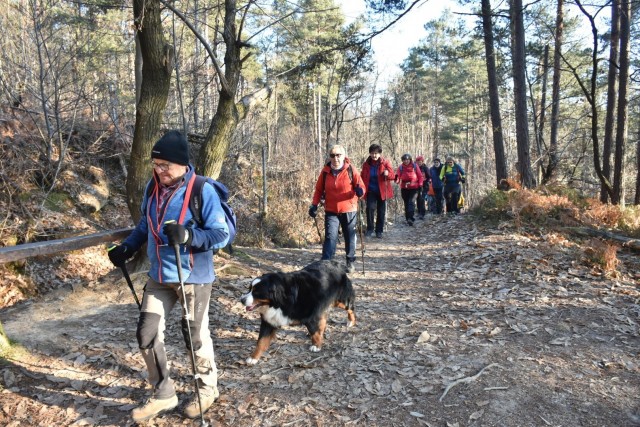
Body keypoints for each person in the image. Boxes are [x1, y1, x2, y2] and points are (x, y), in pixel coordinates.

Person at [107, 130, 229, 423]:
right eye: (155, 163)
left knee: (195, 336)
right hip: (159, 275)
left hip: (193, 276)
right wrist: (128, 247)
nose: (158, 170)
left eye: (165, 165)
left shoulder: (202, 190)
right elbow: (144, 225)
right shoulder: (152, 187)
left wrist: (189, 235)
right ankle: (164, 393)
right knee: (146, 333)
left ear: (183, 165)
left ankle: (207, 388)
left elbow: (221, 234)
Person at [309, 145, 365, 273]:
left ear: (344, 156)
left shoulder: (351, 170)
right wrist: (314, 204)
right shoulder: (325, 172)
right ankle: (326, 263)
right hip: (331, 209)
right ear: (329, 157)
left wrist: (360, 191)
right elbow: (318, 190)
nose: (335, 158)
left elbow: (361, 186)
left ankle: (350, 261)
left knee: (349, 236)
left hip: (349, 208)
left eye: (338, 155)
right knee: (330, 237)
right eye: (333, 155)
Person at [360, 144, 395, 238]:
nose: (374, 155)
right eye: (372, 153)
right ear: (370, 153)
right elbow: (362, 177)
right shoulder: (366, 164)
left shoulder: (385, 163)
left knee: (381, 211)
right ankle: (370, 229)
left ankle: (379, 230)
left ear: (380, 154)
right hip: (371, 190)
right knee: (370, 209)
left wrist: (387, 174)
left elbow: (393, 176)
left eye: (376, 153)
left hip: (382, 191)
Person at [395, 153, 423, 226]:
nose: (406, 161)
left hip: (414, 187)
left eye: (407, 159)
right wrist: (397, 180)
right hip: (404, 187)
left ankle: (411, 218)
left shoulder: (415, 166)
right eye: (404, 160)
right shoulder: (400, 167)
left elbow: (420, 176)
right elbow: (397, 176)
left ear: (410, 159)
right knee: (406, 203)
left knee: (411, 202)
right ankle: (408, 219)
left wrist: (420, 184)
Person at [415, 155, 431, 219]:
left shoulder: (425, 168)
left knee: (422, 199)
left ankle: (422, 213)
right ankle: (419, 212)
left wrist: (427, 181)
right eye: (418, 161)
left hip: (424, 186)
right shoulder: (414, 168)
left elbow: (429, 176)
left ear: (422, 161)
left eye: (420, 161)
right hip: (416, 186)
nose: (419, 163)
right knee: (418, 199)